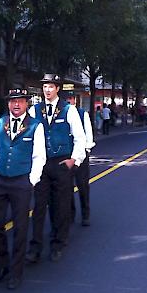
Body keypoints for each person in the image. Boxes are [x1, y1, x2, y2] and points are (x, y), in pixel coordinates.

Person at [0, 88, 46, 290]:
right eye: (13, 101)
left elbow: (39, 156)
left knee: (20, 228)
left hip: (21, 181)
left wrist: (31, 181)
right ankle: (2, 266)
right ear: (8, 103)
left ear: (27, 103)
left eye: (20, 101)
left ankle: (16, 271)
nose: (16, 104)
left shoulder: (35, 126)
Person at [27, 75, 86, 263]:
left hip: (61, 163)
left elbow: (79, 138)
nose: (47, 90)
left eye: (51, 86)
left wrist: (74, 160)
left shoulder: (69, 110)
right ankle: (35, 247)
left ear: (57, 89)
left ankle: (58, 242)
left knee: (60, 205)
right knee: (39, 206)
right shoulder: (35, 110)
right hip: (42, 163)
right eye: (44, 86)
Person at [64, 90, 95, 227]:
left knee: (82, 186)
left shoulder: (83, 114)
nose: (68, 101)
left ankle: (85, 214)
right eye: (66, 99)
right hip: (66, 155)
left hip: (81, 156)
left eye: (70, 98)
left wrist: (85, 152)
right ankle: (70, 214)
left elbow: (88, 135)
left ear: (74, 100)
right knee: (66, 187)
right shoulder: (61, 114)